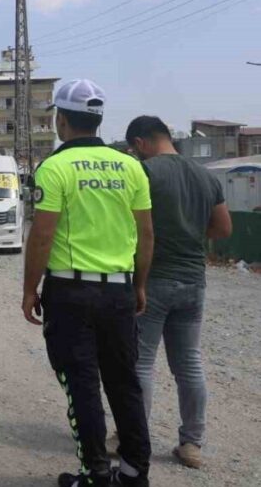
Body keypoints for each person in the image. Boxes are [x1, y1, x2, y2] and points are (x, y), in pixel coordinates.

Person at [22, 79, 154, 487]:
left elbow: (42, 234)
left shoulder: (55, 167)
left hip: (71, 293)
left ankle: (95, 474)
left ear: (61, 119)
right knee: (124, 382)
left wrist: (30, 289)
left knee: (82, 383)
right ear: (98, 119)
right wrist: (139, 285)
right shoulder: (131, 165)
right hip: (119, 289)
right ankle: (134, 474)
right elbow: (146, 234)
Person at [125, 115, 233, 469]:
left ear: (141, 143)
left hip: (152, 281)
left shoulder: (146, 173)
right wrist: (190, 232)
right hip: (193, 282)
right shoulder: (204, 175)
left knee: (141, 362)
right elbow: (222, 229)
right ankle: (192, 444)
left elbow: (132, 226)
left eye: (134, 150)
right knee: (188, 363)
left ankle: (133, 439)